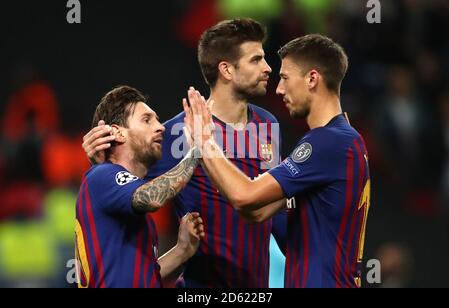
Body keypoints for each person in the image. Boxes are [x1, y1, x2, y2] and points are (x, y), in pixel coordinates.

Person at [82, 18, 287, 288]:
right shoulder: (178, 132)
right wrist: (99, 158)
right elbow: (125, 182)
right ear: (226, 69)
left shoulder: (267, 125)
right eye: (256, 60)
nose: (267, 67)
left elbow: (275, 209)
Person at [185, 34, 371, 288]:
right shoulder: (342, 140)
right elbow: (256, 211)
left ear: (312, 79)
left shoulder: (328, 142)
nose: (279, 89)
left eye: (285, 78)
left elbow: (245, 195)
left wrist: (204, 140)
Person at [75, 85, 204, 288]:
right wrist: (198, 148)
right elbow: (152, 198)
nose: (160, 127)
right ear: (118, 133)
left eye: (157, 119)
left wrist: (182, 250)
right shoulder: (101, 176)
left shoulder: (132, 215)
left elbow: (145, 278)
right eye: (147, 120)